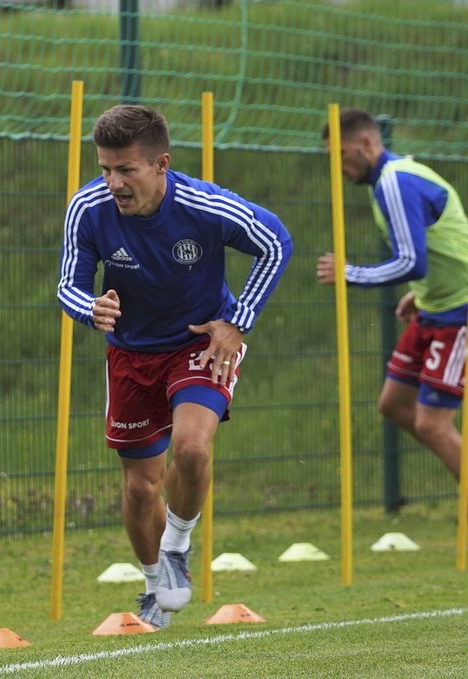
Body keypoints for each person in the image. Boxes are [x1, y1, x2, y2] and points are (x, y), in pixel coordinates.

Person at [57, 104, 292, 629]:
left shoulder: (206, 207)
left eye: (126, 170)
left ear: (161, 164)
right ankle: (151, 584)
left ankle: (178, 547)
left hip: (199, 342)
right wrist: (87, 308)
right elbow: (67, 284)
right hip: (131, 353)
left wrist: (237, 321)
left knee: (190, 446)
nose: (112, 182)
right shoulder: (87, 209)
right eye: (104, 169)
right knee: (141, 485)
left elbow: (276, 242)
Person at [316, 108, 468, 482]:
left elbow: (412, 261)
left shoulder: (395, 182)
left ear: (366, 143)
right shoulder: (388, 180)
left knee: (433, 424)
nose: (338, 167)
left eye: (341, 154)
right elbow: (443, 243)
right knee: (394, 404)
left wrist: (351, 273)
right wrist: (420, 295)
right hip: (434, 305)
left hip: (459, 310)